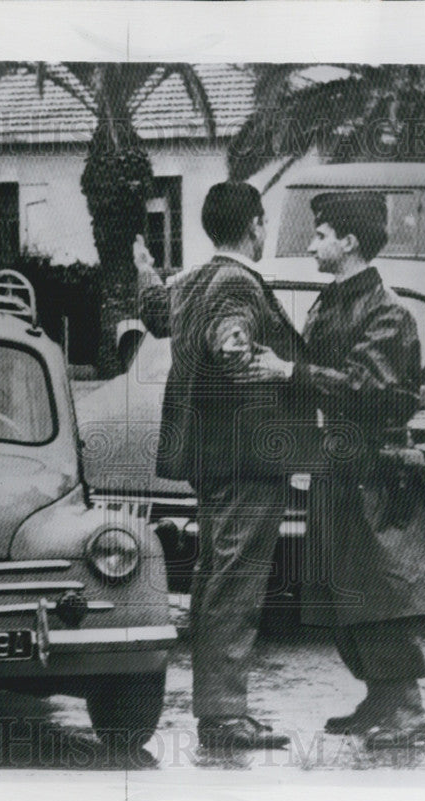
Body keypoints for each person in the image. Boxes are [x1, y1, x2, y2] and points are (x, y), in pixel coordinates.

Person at [239, 192, 425, 748]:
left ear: (349, 242)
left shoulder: (387, 312)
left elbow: (371, 390)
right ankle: (378, 699)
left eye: (322, 234)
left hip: (376, 473)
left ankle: (407, 709)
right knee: (342, 595)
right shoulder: (336, 303)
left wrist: (290, 371)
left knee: (380, 597)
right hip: (343, 466)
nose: (312, 244)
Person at [155, 181, 305, 750]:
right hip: (247, 459)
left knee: (214, 578)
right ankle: (222, 716)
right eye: (264, 224)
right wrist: (254, 367)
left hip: (212, 457)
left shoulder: (194, 280)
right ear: (255, 225)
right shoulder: (238, 281)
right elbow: (232, 343)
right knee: (235, 582)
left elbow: (152, 311)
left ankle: (219, 709)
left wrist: (149, 272)